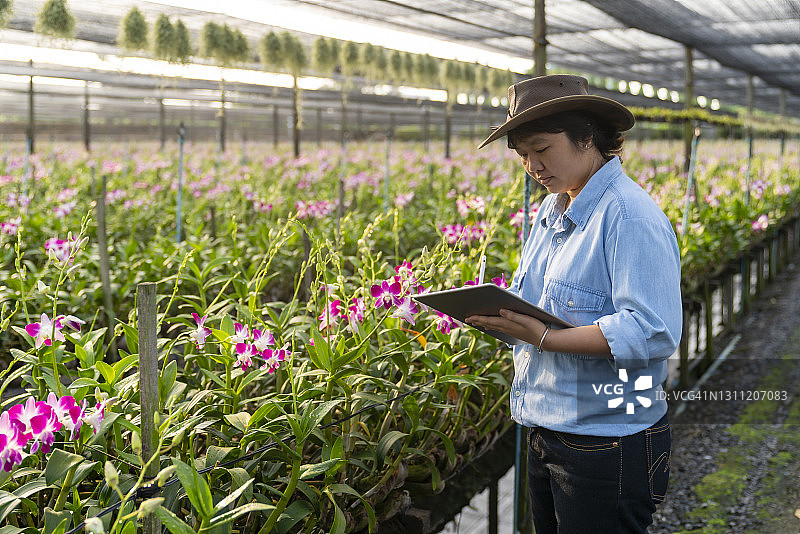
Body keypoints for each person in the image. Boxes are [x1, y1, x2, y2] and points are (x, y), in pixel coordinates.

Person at [465, 74, 682, 533]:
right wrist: (497, 314)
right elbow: (540, 300)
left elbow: (652, 329)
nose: (532, 166)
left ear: (587, 137)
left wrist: (545, 338)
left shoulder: (628, 216)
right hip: (548, 426)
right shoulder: (552, 209)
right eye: (523, 155)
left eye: (542, 150)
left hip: (608, 442)